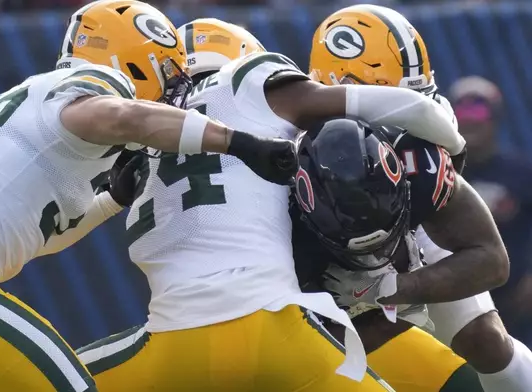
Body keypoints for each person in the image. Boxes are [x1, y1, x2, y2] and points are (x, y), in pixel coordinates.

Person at [0, 1, 298, 391]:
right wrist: (238, 143)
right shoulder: (101, 84)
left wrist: (111, 200)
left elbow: (40, 238)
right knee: (69, 384)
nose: (173, 91)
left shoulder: (42, 111)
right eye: (169, 73)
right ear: (138, 56)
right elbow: (122, 114)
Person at [76, 16, 463, 391]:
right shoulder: (250, 84)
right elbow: (419, 109)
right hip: (286, 330)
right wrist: (454, 157)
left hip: (172, 348)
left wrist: (111, 199)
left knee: (50, 374)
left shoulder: (143, 155)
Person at [305, 5, 532, 392]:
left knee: (486, 340)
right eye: (390, 99)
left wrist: (395, 289)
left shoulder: (417, 150)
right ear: (339, 85)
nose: (408, 115)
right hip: (317, 269)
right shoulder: (289, 139)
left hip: (409, 241)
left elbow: (491, 260)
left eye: (415, 99)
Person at [449, 76, 532, 346]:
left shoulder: (521, 173)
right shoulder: (439, 175)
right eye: (462, 110)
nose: (470, 119)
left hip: (519, 306)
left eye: (479, 109)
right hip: (462, 309)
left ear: (495, 118)